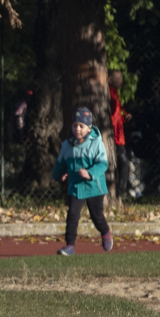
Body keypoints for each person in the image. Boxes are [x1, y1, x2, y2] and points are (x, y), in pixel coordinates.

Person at [54, 108, 113, 255]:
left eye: (81, 126)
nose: (77, 129)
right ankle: (70, 246)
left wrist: (90, 173)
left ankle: (105, 232)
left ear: (89, 128)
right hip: (76, 186)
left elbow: (103, 164)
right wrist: (59, 174)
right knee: (72, 215)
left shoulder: (96, 143)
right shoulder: (66, 145)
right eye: (75, 125)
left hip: (94, 187)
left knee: (96, 216)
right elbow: (60, 163)